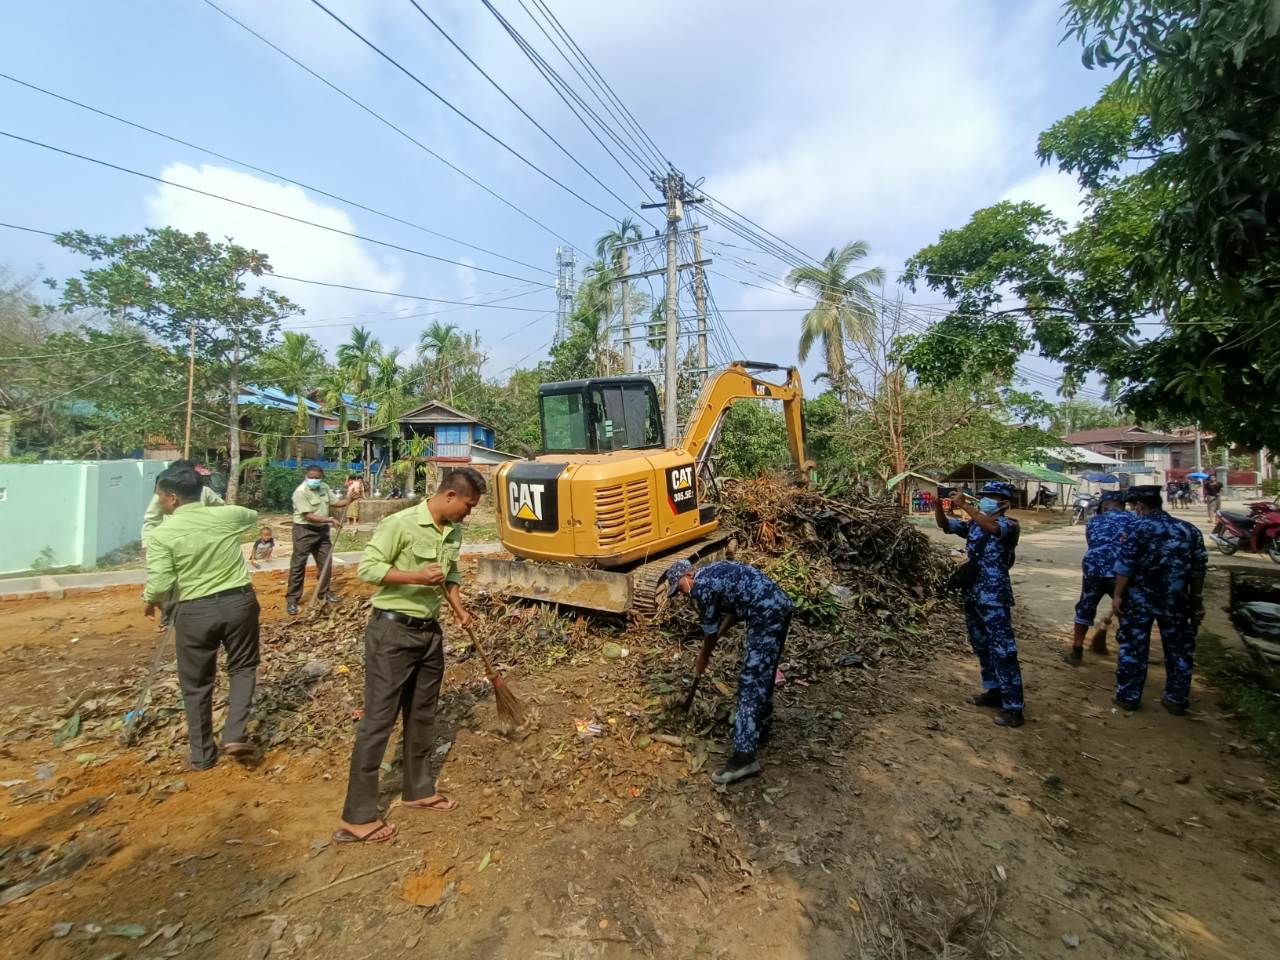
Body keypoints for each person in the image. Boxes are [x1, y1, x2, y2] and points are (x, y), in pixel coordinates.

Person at [335, 467, 486, 844]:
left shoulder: (453, 531)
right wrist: (416, 577)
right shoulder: (399, 524)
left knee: (422, 714)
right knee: (378, 721)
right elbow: (368, 569)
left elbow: (450, 575)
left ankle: (418, 790)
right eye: (468, 506)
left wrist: (459, 608)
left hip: (429, 633)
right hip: (391, 634)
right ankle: (357, 817)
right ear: (450, 495)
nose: (468, 513)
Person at [140, 464, 261, 770]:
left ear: (173, 498)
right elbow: (251, 515)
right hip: (239, 604)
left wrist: (150, 601)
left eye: (159, 496)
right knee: (243, 668)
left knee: (196, 684)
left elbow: (161, 583)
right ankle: (234, 733)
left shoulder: (162, 534)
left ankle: (202, 755)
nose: (158, 501)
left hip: (195, 612)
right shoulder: (226, 517)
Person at [661, 558, 794, 785]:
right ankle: (760, 724)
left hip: (765, 614)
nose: (682, 594)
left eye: (680, 588)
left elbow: (709, 632)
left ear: (689, 575)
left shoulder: (701, 587)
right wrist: (716, 639)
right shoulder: (714, 571)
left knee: (751, 681)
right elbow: (735, 610)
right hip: (780, 604)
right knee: (765, 672)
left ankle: (744, 757)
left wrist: (704, 656)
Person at [935, 480, 1025, 727]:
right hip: (973, 593)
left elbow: (991, 527)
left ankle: (1013, 706)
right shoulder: (974, 525)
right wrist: (938, 506)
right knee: (981, 644)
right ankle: (994, 690)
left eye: (991, 496)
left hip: (995, 596)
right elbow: (945, 526)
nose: (985, 499)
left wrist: (965, 506)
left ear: (1004, 503)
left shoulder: (1009, 525)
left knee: (1003, 649)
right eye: (984, 495)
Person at [1112, 485, 1208, 714]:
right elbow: (1198, 570)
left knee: (1134, 647)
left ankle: (1128, 696)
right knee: (1179, 649)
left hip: (1139, 600)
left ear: (1140, 506)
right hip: (1176, 600)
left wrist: (1117, 595)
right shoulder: (1188, 530)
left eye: (1135, 507)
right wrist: (1196, 599)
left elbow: (1125, 566)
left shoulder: (1135, 529)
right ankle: (1176, 699)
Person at [1064, 490, 1134, 665]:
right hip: (1121, 573)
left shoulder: (1094, 521)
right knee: (1125, 611)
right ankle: (1129, 655)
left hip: (1094, 571)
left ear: (1105, 504)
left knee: (1085, 608)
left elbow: (1092, 542)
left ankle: (1076, 652)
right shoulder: (1133, 520)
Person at [286, 465, 350, 615]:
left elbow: (336, 503)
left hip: (322, 531)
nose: (314, 480)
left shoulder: (324, 487)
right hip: (304, 531)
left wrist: (350, 498)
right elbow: (308, 516)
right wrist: (330, 520)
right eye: (311, 477)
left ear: (322, 477)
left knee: (326, 562)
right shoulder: (300, 492)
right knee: (298, 565)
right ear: (306, 476)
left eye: (317, 477)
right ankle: (292, 599)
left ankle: (324, 593)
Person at [140, 461, 223, 546]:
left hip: (200, 540)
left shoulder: (204, 491)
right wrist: (147, 544)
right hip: (172, 539)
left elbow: (220, 511)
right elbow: (151, 520)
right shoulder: (163, 495)